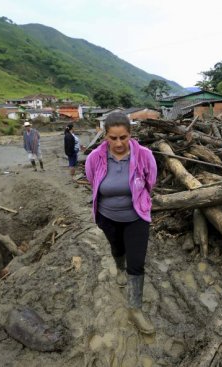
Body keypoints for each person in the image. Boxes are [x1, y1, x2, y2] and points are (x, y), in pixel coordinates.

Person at [85, 112, 157, 335]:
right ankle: (118, 267)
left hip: (136, 217)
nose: (118, 143)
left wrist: (138, 201)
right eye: (113, 138)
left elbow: (150, 182)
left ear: (130, 135)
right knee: (117, 248)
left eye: (123, 137)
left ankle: (135, 309)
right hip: (107, 217)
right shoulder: (94, 159)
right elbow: (92, 181)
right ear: (105, 135)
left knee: (136, 262)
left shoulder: (144, 155)